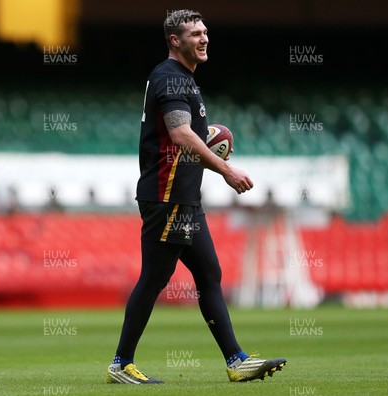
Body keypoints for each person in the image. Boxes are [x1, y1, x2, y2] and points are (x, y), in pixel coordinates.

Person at [107, 9, 286, 384]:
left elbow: (188, 142)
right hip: (166, 196)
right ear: (175, 41)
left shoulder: (185, 80)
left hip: (184, 196)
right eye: (194, 34)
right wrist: (226, 171)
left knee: (209, 274)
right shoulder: (170, 78)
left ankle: (236, 361)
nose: (204, 39)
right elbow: (181, 135)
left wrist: (210, 145)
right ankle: (121, 364)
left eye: (205, 32)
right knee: (155, 278)